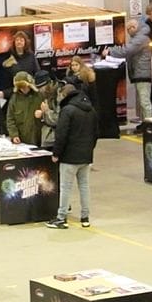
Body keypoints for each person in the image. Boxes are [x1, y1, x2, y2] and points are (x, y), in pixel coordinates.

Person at [45, 76, 97, 229]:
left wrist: (56, 153)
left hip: (69, 157)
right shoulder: (91, 109)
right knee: (84, 186)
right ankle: (85, 217)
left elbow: (61, 134)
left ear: (65, 95)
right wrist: (89, 150)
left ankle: (61, 218)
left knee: (65, 187)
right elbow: (95, 133)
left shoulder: (67, 111)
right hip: (86, 156)